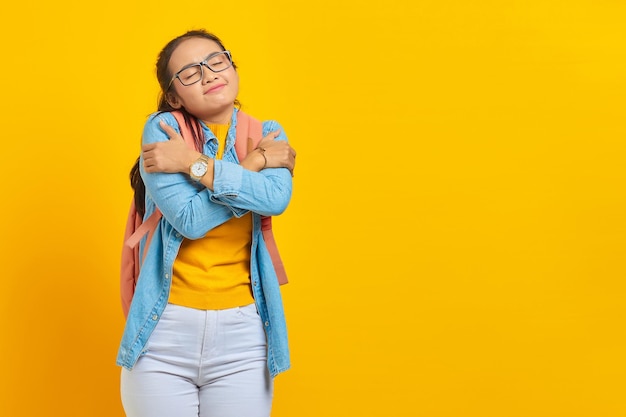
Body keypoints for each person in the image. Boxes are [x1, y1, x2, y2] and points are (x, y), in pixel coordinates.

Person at [116, 29, 296, 417]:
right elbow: (190, 220)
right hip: (164, 331)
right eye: (191, 72)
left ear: (232, 66)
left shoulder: (269, 133)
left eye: (217, 60)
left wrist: (191, 165)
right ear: (174, 96)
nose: (209, 73)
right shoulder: (163, 130)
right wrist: (252, 166)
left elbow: (275, 199)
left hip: (244, 335)